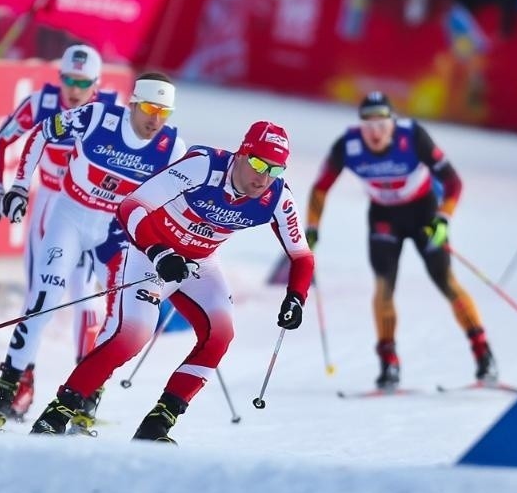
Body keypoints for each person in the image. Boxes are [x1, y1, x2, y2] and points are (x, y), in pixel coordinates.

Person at [28, 121, 315, 443]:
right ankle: (57, 413)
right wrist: (159, 252)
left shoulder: (277, 196)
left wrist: (296, 297)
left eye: (275, 170)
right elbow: (130, 207)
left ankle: (157, 425)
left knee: (220, 335)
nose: (263, 178)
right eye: (259, 164)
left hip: (200, 263)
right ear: (241, 153)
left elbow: (302, 255)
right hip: (149, 253)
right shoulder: (203, 166)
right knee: (133, 336)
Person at [0, 72, 188, 431]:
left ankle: (86, 394)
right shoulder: (97, 117)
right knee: (43, 301)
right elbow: (42, 134)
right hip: (72, 218)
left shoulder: (172, 148)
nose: (156, 119)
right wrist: (18, 187)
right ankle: (6, 387)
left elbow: (182, 201)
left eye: (165, 112)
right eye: (151, 108)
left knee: (115, 313)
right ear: (135, 103)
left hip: (116, 232)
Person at [305, 91, 498, 390]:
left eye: (382, 123)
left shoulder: (413, 136)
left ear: (393, 123)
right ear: (360, 126)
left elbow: (453, 181)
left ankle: (484, 354)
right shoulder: (349, 145)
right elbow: (320, 187)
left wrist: (443, 219)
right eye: (368, 124)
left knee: (446, 282)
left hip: (424, 214)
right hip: (384, 217)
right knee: (383, 288)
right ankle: (389, 364)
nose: (375, 132)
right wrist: (312, 227)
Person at [0, 44, 118, 421]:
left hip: (90, 210)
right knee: (38, 297)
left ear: (97, 82)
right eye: (67, 80)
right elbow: (1, 141)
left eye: (82, 82)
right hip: (48, 206)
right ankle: (19, 382)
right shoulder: (41, 104)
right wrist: (1, 190)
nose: (73, 90)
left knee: (85, 298)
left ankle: (84, 389)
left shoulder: (110, 110)